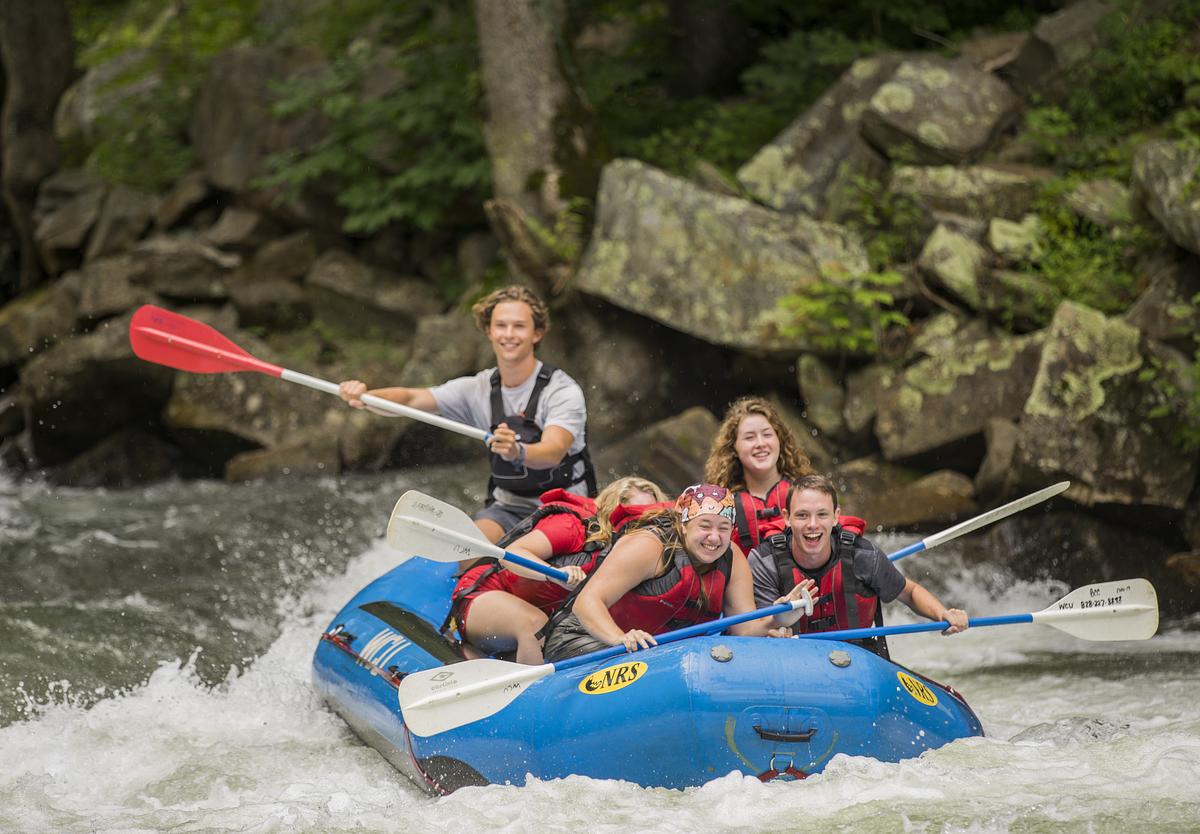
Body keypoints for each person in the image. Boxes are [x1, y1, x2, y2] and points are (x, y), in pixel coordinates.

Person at [338, 285, 595, 543]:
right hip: (509, 505)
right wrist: (365, 397)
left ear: (536, 333)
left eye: (519, 326)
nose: (508, 334)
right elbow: (411, 398)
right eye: (501, 325)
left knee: (522, 559)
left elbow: (553, 451)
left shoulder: (561, 390)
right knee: (471, 552)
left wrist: (519, 452)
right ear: (488, 331)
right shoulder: (477, 388)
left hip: (566, 505)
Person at [542, 483, 807, 662]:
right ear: (684, 524)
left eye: (723, 528)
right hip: (583, 639)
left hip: (655, 656)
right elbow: (587, 603)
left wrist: (778, 618)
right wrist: (620, 639)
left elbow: (743, 629)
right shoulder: (650, 546)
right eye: (705, 525)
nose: (714, 538)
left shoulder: (732, 557)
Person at [449, 477, 667, 665]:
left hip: (537, 618)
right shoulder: (571, 525)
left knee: (547, 631)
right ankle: (527, 700)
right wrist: (554, 573)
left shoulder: (636, 552)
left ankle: (497, 658)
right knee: (535, 625)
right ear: (611, 509)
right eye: (635, 515)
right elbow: (512, 555)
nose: (643, 525)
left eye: (651, 517)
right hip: (481, 596)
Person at [748, 474, 968, 658]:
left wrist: (942, 613)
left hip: (857, 660)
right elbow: (759, 628)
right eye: (802, 515)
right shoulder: (765, 562)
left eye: (822, 514)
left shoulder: (863, 555)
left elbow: (910, 592)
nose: (812, 525)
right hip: (794, 662)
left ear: (836, 517)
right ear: (787, 518)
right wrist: (774, 628)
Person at [704, 397, 816, 553]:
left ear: (779, 440)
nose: (760, 443)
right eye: (749, 437)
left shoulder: (809, 494)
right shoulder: (721, 506)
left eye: (767, 435)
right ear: (734, 447)